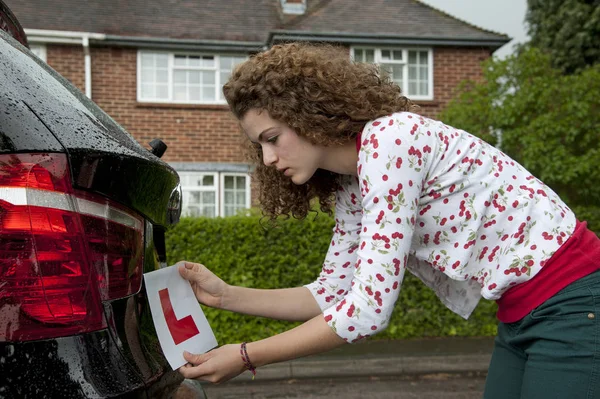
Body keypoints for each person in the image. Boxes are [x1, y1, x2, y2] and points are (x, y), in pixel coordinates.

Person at [176, 42, 600, 398]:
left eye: (272, 139)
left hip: (575, 301)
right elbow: (332, 294)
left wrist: (246, 355)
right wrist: (227, 295)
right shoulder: (352, 185)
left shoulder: (391, 141)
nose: (268, 160)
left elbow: (366, 311)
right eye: (260, 147)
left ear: (307, 113)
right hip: (519, 313)